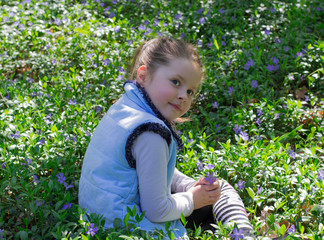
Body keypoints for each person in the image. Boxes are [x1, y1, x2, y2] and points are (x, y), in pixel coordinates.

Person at [78, 37, 254, 239]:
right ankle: (244, 236)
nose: (183, 96)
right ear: (143, 76)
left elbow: (149, 168)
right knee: (221, 189)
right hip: (130, 228)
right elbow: (157, 210)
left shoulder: (126, 107)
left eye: (190, 91)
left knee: (209, 193)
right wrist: (193, 200)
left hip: (97, 218)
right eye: (176, 82)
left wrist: (188, 187)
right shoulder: (151, 134)